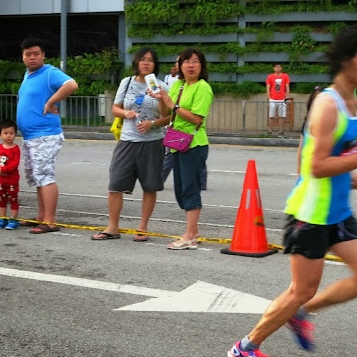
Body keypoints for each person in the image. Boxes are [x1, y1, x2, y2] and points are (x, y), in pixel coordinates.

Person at [227, 25, 357, 357]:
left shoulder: (354, 99)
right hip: (311, 213)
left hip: (337, 211)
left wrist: (351, 171)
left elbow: (330, 151)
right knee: (301, 289)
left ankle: (301, 313)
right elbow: (315, 164)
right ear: (346, 59)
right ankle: (246, 347)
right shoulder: (327, 104)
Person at [91, 47, 169, 242]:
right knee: (115, 184)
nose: (146, 63)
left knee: (149, 186)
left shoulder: (161, 86)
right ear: (136, 62)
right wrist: (126, 113)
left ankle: (142, 227)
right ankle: (113, 227)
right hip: (127, 140)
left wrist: (153, 121)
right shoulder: (126, 83)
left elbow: (168, 118)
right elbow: (115, 108)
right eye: (142, 59)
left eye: (150, 60)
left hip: (152, 142)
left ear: (155, 65)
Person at [16, 37, 78, 234]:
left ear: (43, 55)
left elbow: (71, 84)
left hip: (45, 134)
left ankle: (50, 220)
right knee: (36, 177)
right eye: (28, 54)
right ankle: (41, 216)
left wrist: (51, 102)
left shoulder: (49, 72)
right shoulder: (28, 75)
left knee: (44, 175)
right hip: (31, 135)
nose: (32, 57)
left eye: (36, 54)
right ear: (23, 57)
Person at [153, 48, 213, 249]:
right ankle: (192, 230)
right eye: (186, 61)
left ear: (201, 66)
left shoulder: (202, 88)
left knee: (190, 187)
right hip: (178, 142)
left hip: (194, 143)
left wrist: (174, 106)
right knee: (180, 189)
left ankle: (189, 236)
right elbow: (168, 114)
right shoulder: (177, 85)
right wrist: (161, 99)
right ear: (179, 66)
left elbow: (197, 118)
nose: (190, 65)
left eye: (195, 61)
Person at [0, 119, 21, 230]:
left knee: (13, 199)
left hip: (12, 179)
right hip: (1, 179)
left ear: (15, 134)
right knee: (1, 199)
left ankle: (13, 219)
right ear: (0, 134)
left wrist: (4, 169)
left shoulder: (15, 149)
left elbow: (15, 163)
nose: (8, 136)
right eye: (6, 133)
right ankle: (2, 218)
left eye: (11, 133)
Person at [266, 63, 291, 137]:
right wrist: (269, 97)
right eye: (276, 67)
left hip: (282, 98)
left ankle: (281, 131)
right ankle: (270, 130)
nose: (277, 68)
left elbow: (287, 86)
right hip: (273, 98)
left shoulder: (285, 76)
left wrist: (287, 97)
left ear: (281, 68)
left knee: (281, 116)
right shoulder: (270, 77)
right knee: (271, 116)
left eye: (279, 67)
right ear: (274, 68)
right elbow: (268, 87)